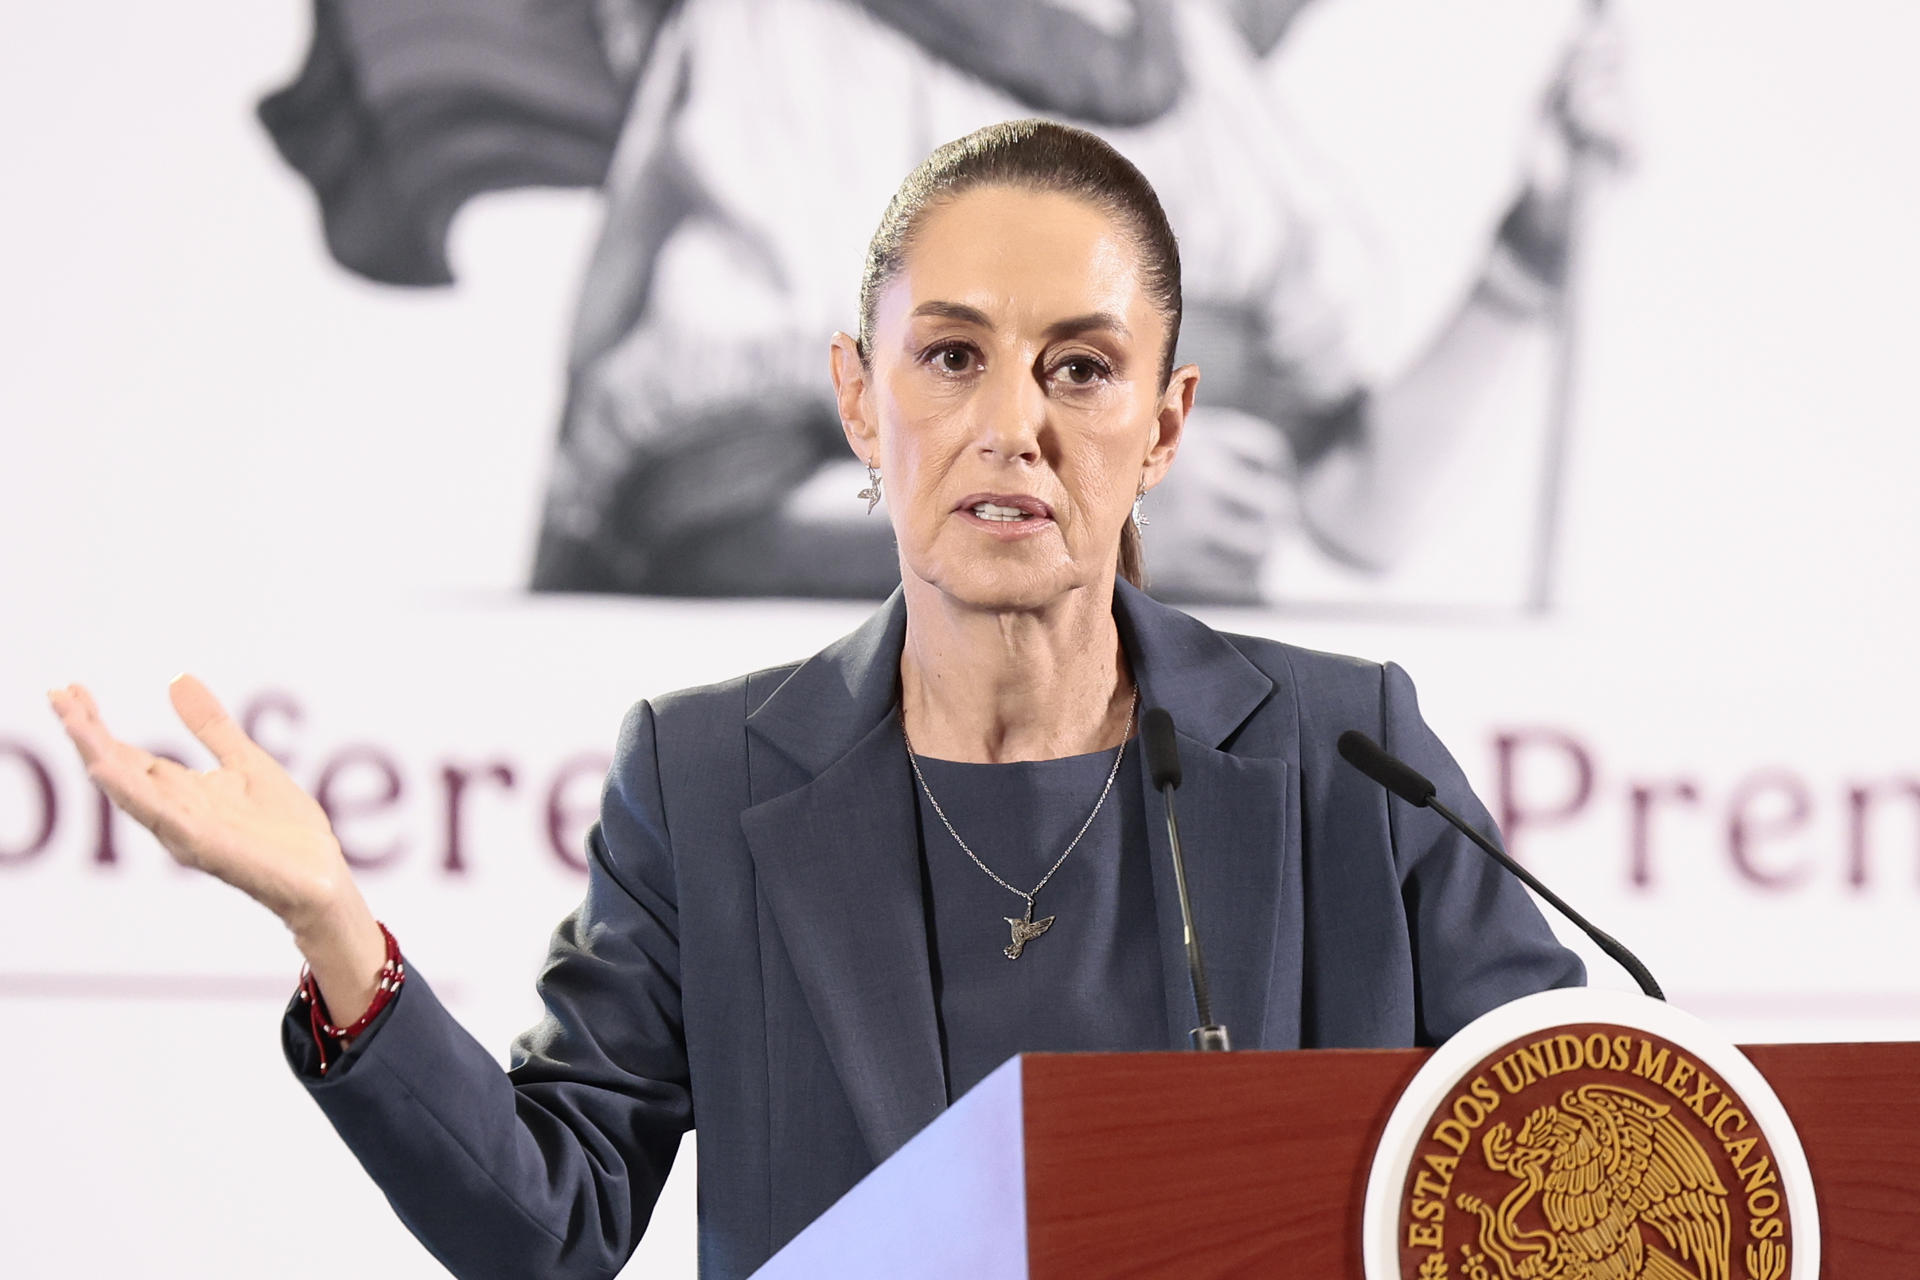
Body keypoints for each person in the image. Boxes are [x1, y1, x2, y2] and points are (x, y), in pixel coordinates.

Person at [48, 120, 1581, 1280]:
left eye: (1081, 369)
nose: (1011, 427)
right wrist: (335, 930)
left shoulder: (1344, 761)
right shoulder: (707, 777)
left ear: (1167, 420)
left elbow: (1574, 1158)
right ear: (861, 398)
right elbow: (554, 1224)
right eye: (953, 357)